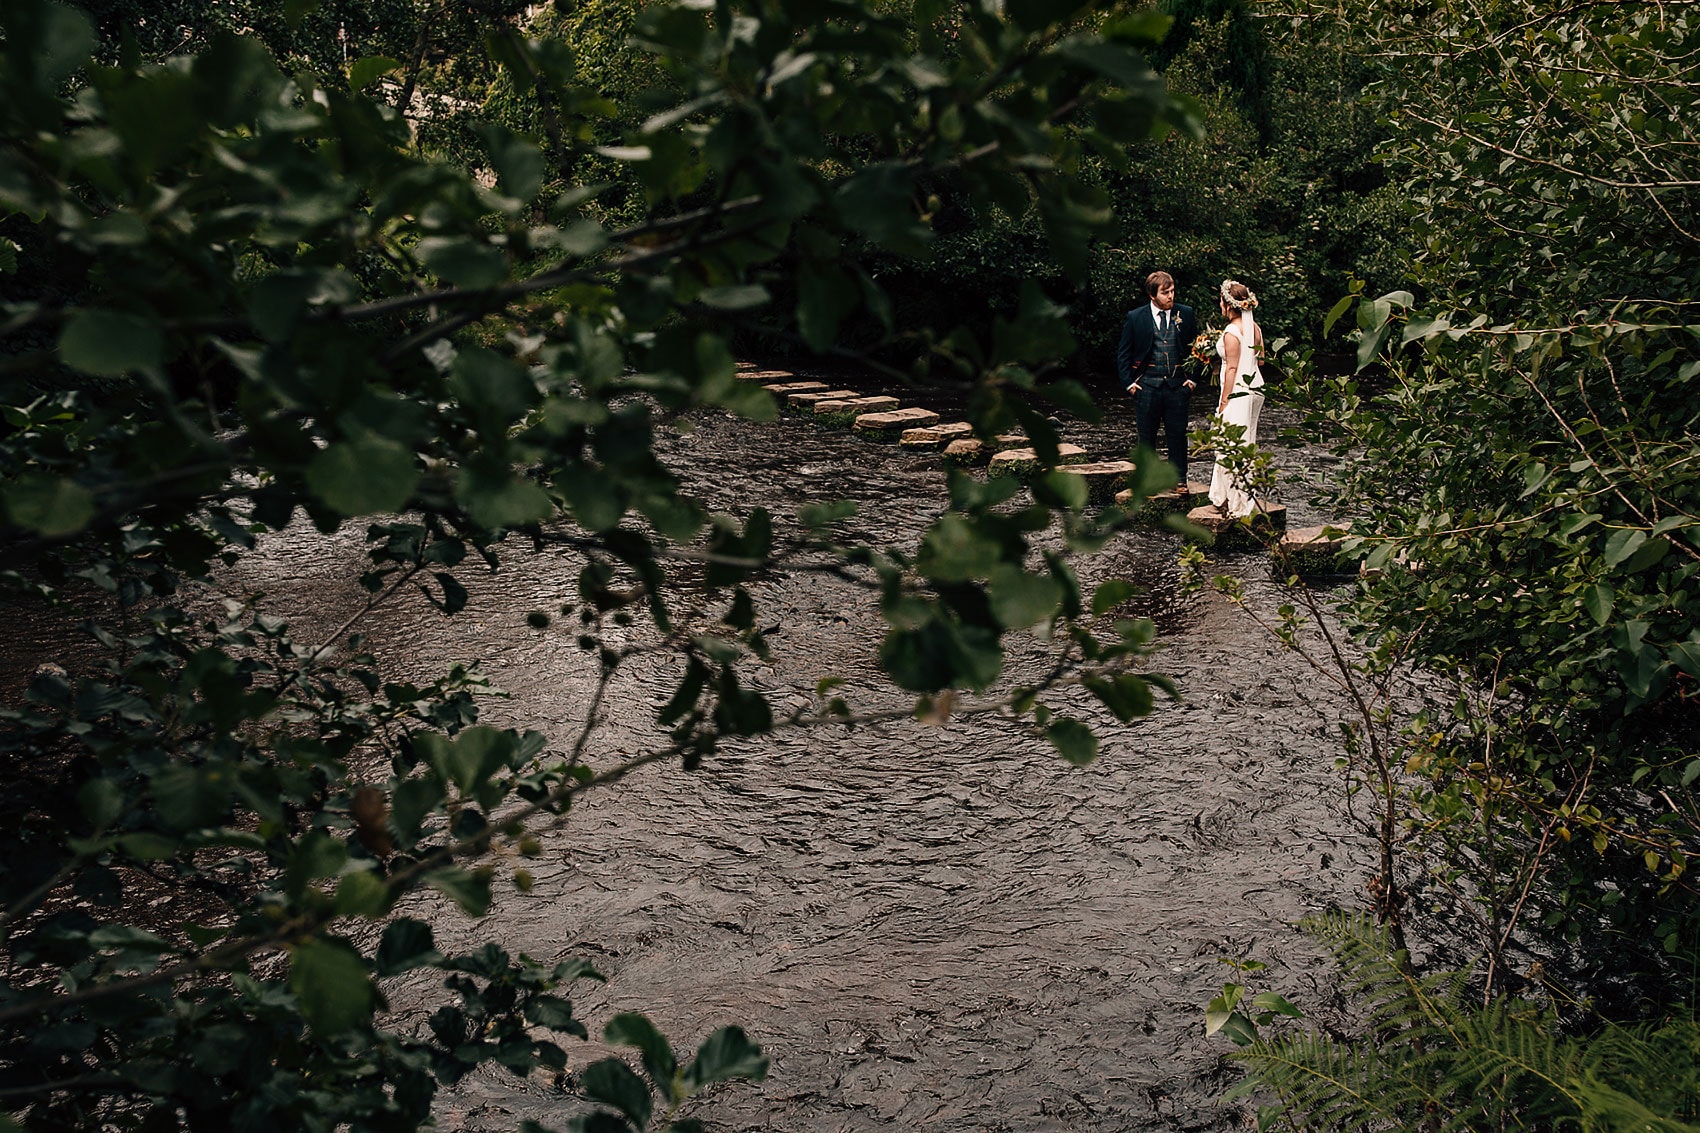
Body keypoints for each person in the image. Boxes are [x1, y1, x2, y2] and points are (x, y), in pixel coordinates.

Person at [1115, 270, 1199, 490]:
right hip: (1147, 386)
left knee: (1178, 435)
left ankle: (1180, 479)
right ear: (1153, 295)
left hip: (1177, 386)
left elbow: (1198, 350)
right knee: (1147, 437)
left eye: (1172, 291)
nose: (1171, 296)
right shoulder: (1136, 317)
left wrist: (1192, 382)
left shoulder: (1186, 314)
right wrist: (1130, 385)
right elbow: (1124, 352)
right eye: (1165, 292)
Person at [1208, 279, 1268, 518]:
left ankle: (1233, 502)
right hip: (1256, 388)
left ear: (1228, 304)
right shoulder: (1255, 328)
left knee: (1229, 443)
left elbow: (1232, 369)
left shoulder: (1231, 332)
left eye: (1221, 301)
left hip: (1239, 391)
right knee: (1247, 441)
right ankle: (1227, 496)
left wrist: (1224, 401)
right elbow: (1261, 360)